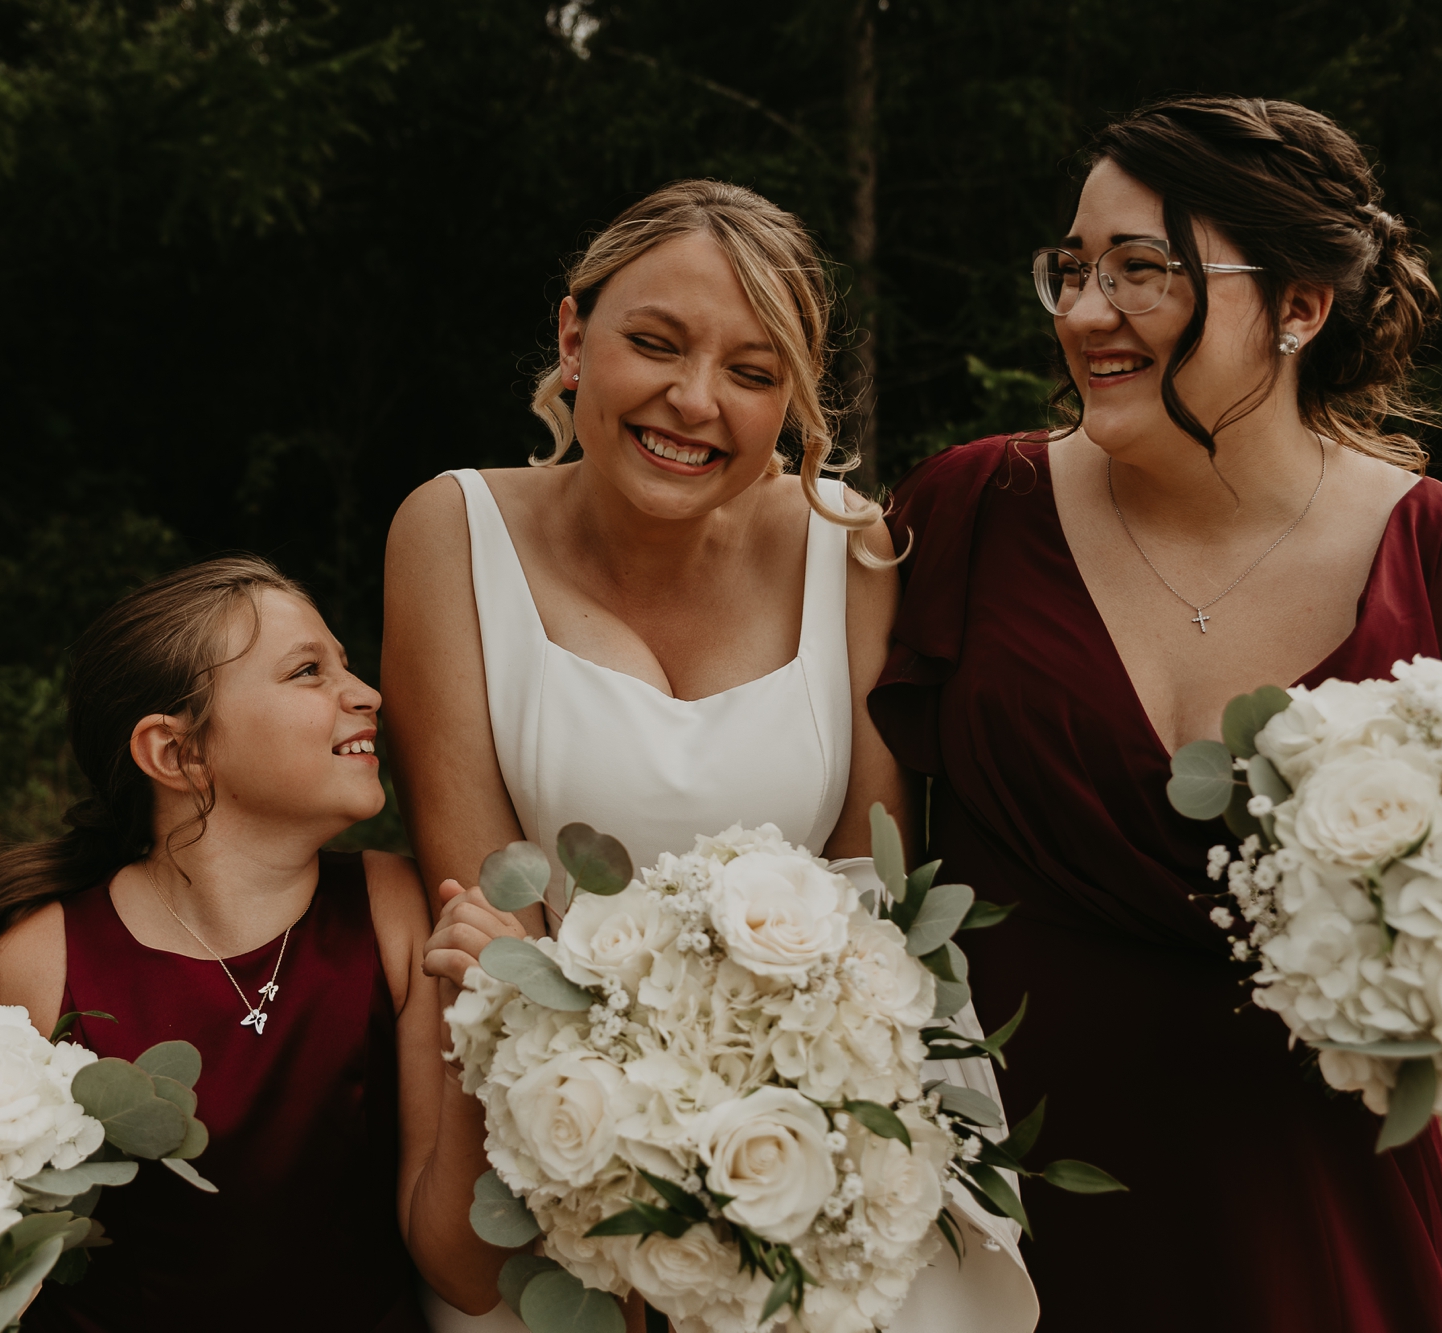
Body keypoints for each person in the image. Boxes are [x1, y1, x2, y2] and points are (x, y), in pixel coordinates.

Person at [872, 94, 1442, 1332]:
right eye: (1072, 267)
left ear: (1299, 306)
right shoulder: (964, 512)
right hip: (1005, 1238)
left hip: (1318, 1229)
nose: (1085, 312)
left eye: (1141, 270)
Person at [383, 179, 1038, 1332]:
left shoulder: (855, 550)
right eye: (653, 343)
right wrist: (633, 1169)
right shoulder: (449, 531)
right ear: (572, 338)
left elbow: (866, 909)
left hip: (804, 1150)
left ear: (791, 397)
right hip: (550, 1130)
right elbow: (488, 920)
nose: (693, 402)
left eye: (751, 371)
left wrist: (772, 1175)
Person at [0, 556, 504, 1331]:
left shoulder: (396, 909)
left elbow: (466, 1275)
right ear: (178, 754)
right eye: (309, 670)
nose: (366, 692)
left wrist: (490, 1046)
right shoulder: (45, 960)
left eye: (346, 663)